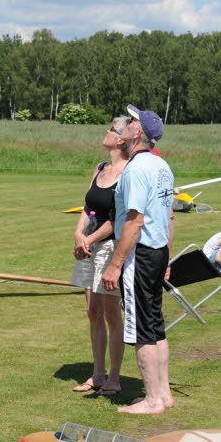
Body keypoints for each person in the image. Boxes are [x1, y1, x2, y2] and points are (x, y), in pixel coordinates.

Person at [101, 104, 175, 415]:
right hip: (158, 251)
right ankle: (164, 394)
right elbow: (168, 216)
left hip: (140, 253)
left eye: (131, 121)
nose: (126, 124)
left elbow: (134, 220)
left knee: (142, 328)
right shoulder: (162, 166)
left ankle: (153, 400)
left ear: (138, 133)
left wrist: (116, 265)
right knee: (155, 325)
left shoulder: (136, 169)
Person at [70, 116, 129, 396]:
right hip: (88, 248)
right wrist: (78, 235)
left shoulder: (128, 172)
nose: (105, 131)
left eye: (111, 129)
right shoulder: (100, 168)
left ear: (120, 139)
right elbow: (86, 206)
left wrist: (90, 239)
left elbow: (117, 219)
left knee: (110, 313)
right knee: (92, 312)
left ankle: (114, 378)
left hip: (109, 247)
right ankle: (97, 374)